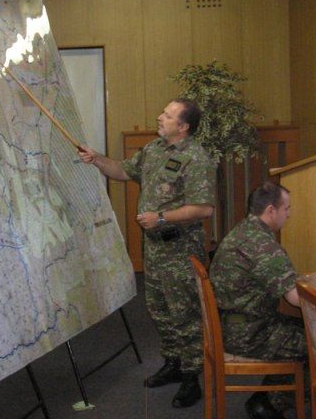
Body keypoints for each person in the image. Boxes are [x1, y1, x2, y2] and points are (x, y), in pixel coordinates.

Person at [79, 99, 216, 408]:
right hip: (154, 249)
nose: (159, 117)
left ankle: (192, 376)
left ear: (183, 127)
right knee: (159, 309)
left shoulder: (196, 158)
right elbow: (122, 171)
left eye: (167, 115)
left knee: (186, 313)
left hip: (181, 249)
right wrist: (96, 158)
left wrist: (162, 218)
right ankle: (173, 362)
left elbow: (203, 208)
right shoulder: (154, 150)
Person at [210, 182, 306, 419]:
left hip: (231, 324)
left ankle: (266, 399)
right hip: (249, 333)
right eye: (286, 208)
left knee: (304, 331)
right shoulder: (263, 245)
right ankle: (270, 404)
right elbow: (295, 299)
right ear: (271, 210)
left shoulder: (243, 231)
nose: (289, 214)